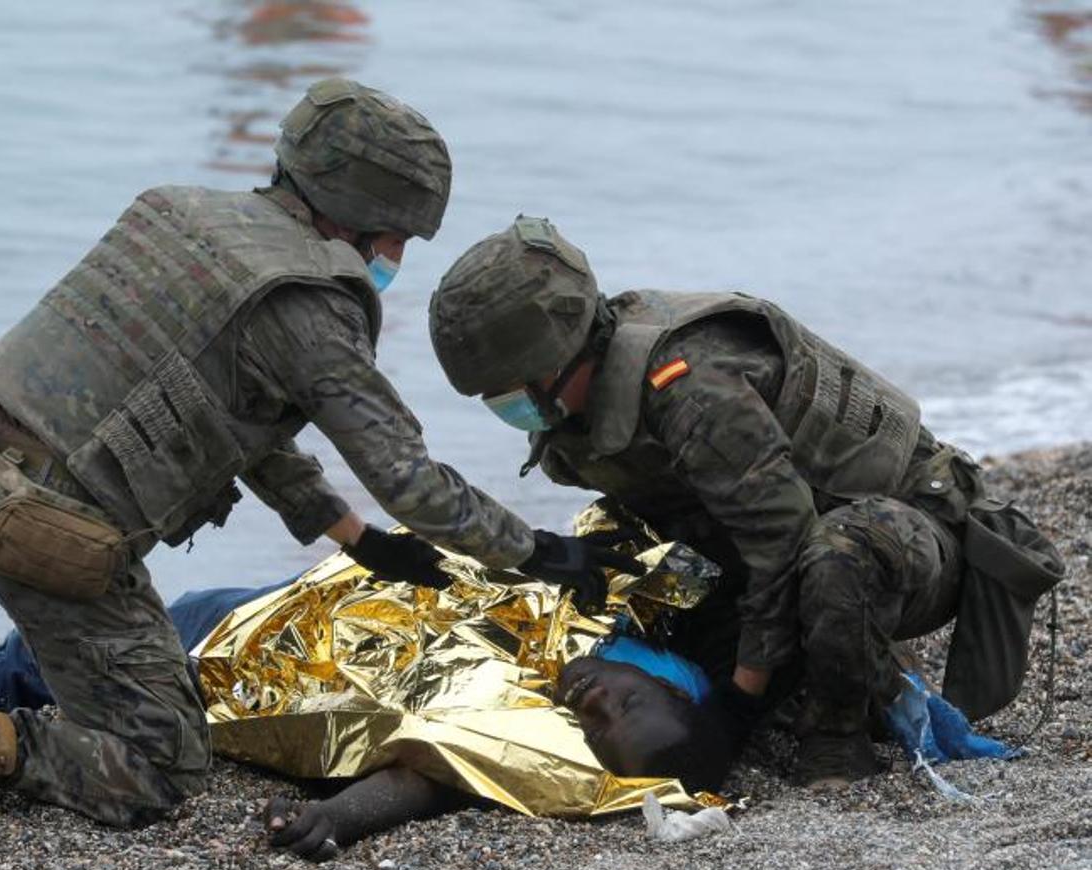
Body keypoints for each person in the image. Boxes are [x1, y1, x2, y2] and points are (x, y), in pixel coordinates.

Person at [0, 82, 632, 835]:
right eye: (397, 237)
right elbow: (411, 479)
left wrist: (356, 539)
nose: (396, 254)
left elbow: (229, 421)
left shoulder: (182, 212)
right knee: (158, 764)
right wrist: (539, 551)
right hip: (45, 536)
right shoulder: (310, 304)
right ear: (358, 212)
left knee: (95, 670)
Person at [427, 216, 1065, 788]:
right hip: (779, 535)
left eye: (509, 389)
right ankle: (829, 668)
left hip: (907, 538)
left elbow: (781, 541)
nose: (505, 404)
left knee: (837, 556)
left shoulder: (692, 387)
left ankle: (837, 741)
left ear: (552, 358)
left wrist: (743, 694)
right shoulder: (580, 403)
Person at [0, 573, 730, 862]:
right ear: (662, 680)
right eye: (625, 700)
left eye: (604, 727)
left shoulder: (551, 717)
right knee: (43, 687)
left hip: (228, 636)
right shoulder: (597, 603)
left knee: (28, 673)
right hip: (233, 636)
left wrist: (336, 821)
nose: (600, 707)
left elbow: (435, 771)